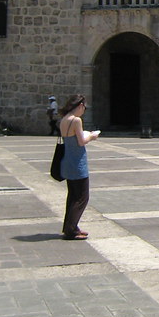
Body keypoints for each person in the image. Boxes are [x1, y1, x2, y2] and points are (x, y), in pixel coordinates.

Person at [58, 94, 100, 240]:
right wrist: (92, 136)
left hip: (67, 161)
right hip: (77, 162)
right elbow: (81, 141)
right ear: (80, 105)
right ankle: (71, 230)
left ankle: (71, 227)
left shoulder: (64, 119)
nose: (84, 110)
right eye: (84, 107)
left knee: (72, 196)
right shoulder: (76, 120)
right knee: (82, 197)